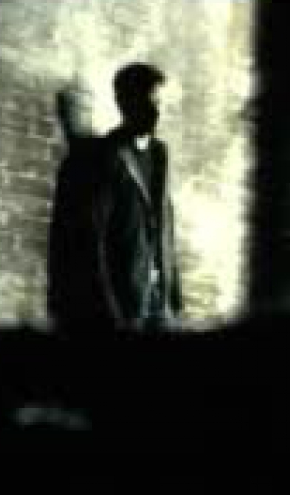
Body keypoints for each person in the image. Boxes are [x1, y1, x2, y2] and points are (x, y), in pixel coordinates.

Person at [48, 63, 182, 332]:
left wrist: (174, 295)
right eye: (150, 102)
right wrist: (110, 310)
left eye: (161, 103)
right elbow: (93, 239)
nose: (157, 111)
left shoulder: (160, 155)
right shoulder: (106, 156)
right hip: (126, 304)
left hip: (160, 304)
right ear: (124, 103)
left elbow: (164, 224)